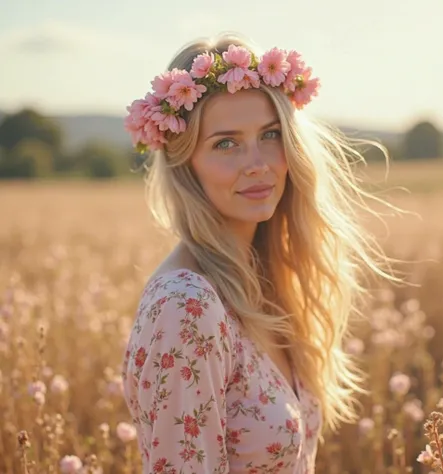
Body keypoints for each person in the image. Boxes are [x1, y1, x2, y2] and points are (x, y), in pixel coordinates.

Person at [121, 32, 398, 473]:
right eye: (225, 143)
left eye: (270, 134)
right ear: (184, 162)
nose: (258, 162)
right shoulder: (186, 306)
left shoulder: (266, 282)